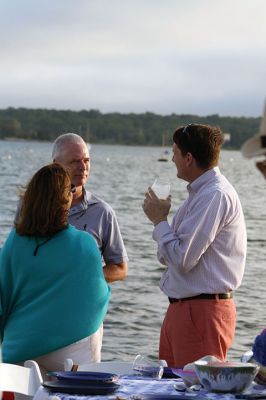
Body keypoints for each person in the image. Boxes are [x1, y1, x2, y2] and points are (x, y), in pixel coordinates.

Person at [142, 123, 247, 368]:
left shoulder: (214, 195)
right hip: (185, 309)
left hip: (202, 312)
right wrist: (163, 226)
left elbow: (181, 259)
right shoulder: (199, 195)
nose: (172, 160)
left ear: (188, 158)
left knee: (196, 392)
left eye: (174, 153)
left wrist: (159, 221)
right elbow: (167, 256)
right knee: (171, 389)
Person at [0, 163, 111, 375]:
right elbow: (97, 298)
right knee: (95, 324)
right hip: (71, 352)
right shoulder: (84, 243)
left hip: (20, 349)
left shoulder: (14, 242)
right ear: (66, 200)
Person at [52, 133, 128, 283]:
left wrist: (84, 276)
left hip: (80, 302)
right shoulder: (31, 205)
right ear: (56, 165)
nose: (83, 167)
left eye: (86, 160)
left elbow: (120, 268)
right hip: (37, 302)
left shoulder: (102, 212)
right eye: (75, 161)